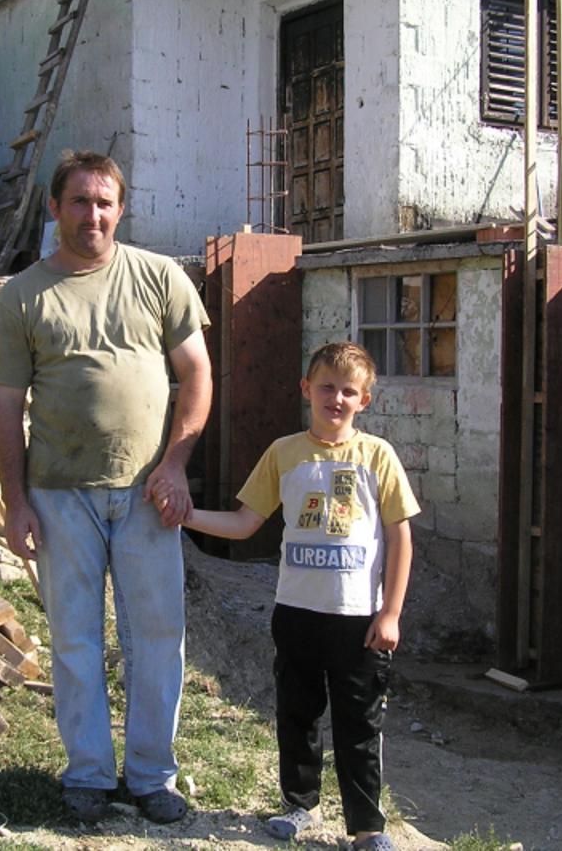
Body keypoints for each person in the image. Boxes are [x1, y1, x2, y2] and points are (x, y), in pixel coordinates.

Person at [0, 150, 211, 825]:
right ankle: (87, 773)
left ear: (121, 207)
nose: (93, 214)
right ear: (55, 208)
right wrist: (15, 501)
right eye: (79, 201)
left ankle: (149, 776)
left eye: (105, 201)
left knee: (158, 634)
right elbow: (4, 407)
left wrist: (176, 463)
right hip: (59, 494)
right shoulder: (23, 295)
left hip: (147, 494)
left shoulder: (159, 277)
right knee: (75, 639)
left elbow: (196, 373)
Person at [181, 341, 419, 851]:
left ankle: (367, 828)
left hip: (358, 619)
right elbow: (245, 523)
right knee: (297, 714)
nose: (336, 398)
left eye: (349, 391)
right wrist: (187, 515)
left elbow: (400, 538)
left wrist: (392, 612)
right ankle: (299, 806)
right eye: (327, 387)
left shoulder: (378, 456)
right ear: (306, 389)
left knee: (359, 724)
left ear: (365, 401)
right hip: (295, 615)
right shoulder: (284, 453)